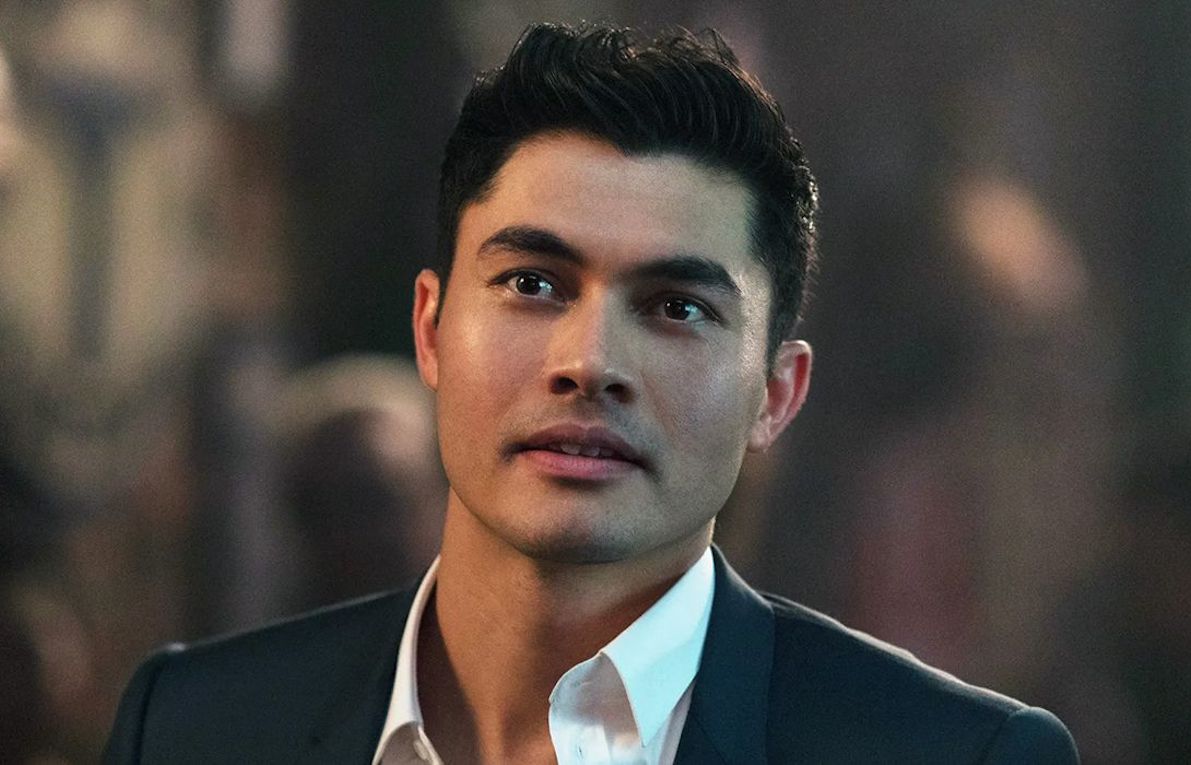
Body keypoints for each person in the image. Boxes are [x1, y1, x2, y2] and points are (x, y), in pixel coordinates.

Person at [104, 22, 1079, 764]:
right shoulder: (193, 728)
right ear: (431, 329)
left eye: (676, 307)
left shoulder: (954, 755)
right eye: (533, 283)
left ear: (776, 394)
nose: (589, 360)